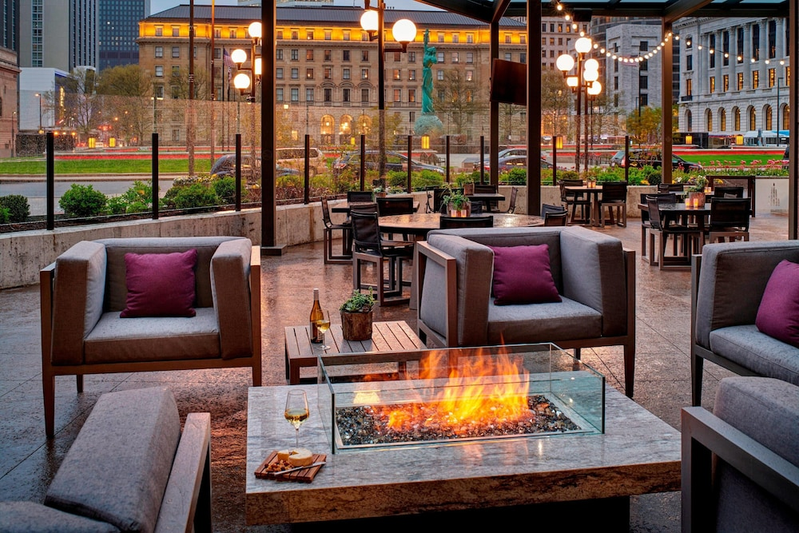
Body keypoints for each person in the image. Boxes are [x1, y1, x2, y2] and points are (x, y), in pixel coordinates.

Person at [422, 29, 437, 115]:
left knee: (427, 88)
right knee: (425, 88)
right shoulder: (428, 55)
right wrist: (426, 35)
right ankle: (427, 107)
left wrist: (434, 54)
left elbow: (435, 61)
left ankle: (428, 107)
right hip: (426, 71)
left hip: (427, 71)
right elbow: (425, 44)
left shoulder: (429, 56)